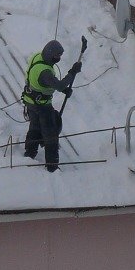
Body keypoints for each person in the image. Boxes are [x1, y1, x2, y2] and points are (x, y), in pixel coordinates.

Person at [21, 39, 81, 172]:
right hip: (42, 106)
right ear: (49, 55)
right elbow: (58, 85)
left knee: (35, 128)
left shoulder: (37, 57)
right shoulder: (45, 72)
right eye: (57, 56)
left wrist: (64, 89)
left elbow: (47, 83)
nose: (58, 58)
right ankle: (52, 166)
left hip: (30, 101)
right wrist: (72, 72)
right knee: (51, 135)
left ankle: (29, 154)